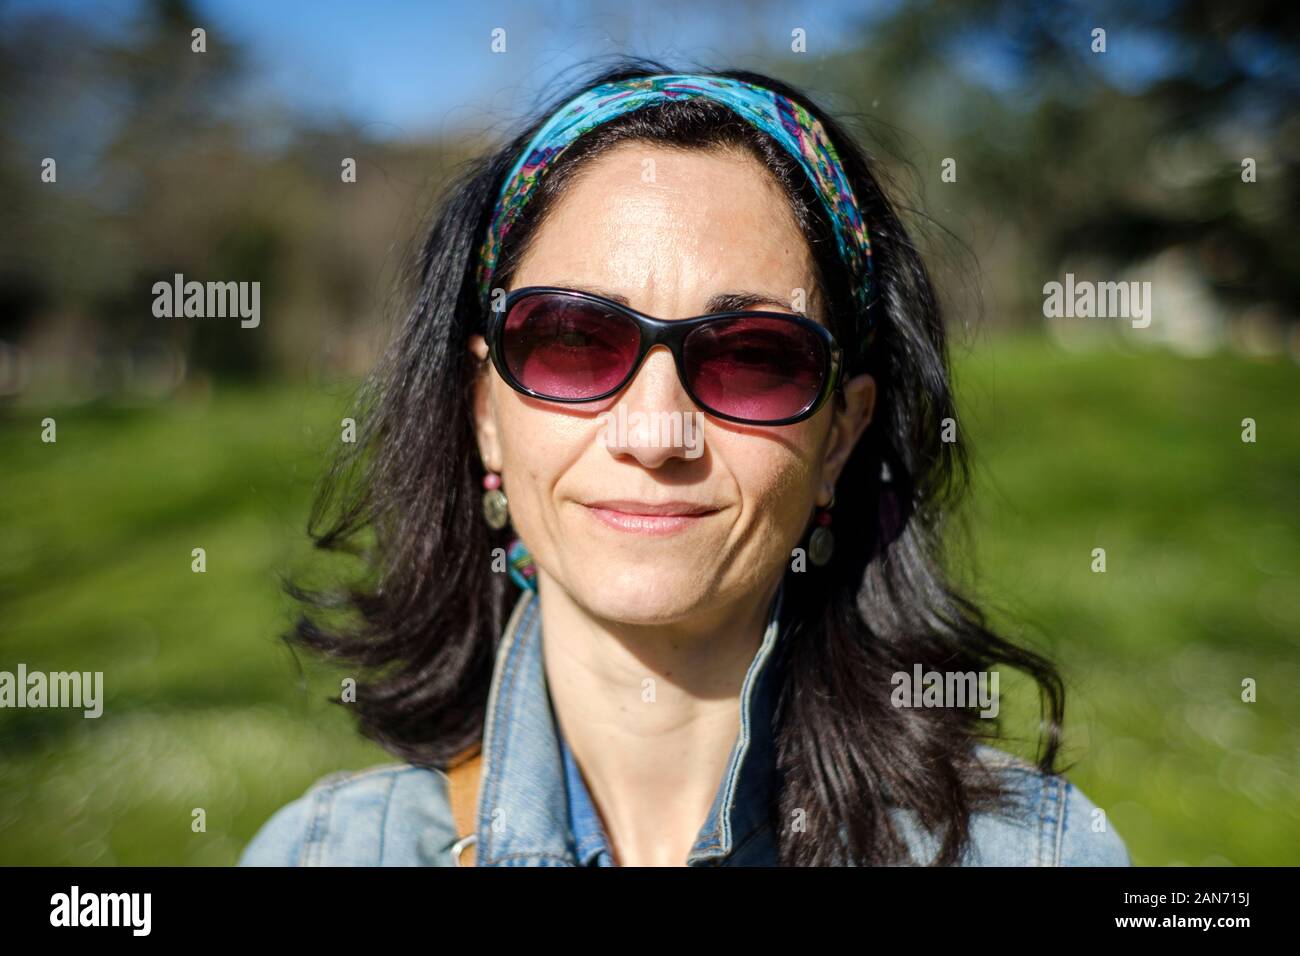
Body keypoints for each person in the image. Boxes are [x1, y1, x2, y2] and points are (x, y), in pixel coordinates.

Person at [239, 62, 1131, 867]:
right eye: (575, 342)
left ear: (841, 438)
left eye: (753, 356)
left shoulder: (1033, 856)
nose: (657, 432)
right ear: (486, 418)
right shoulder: (322, 856)